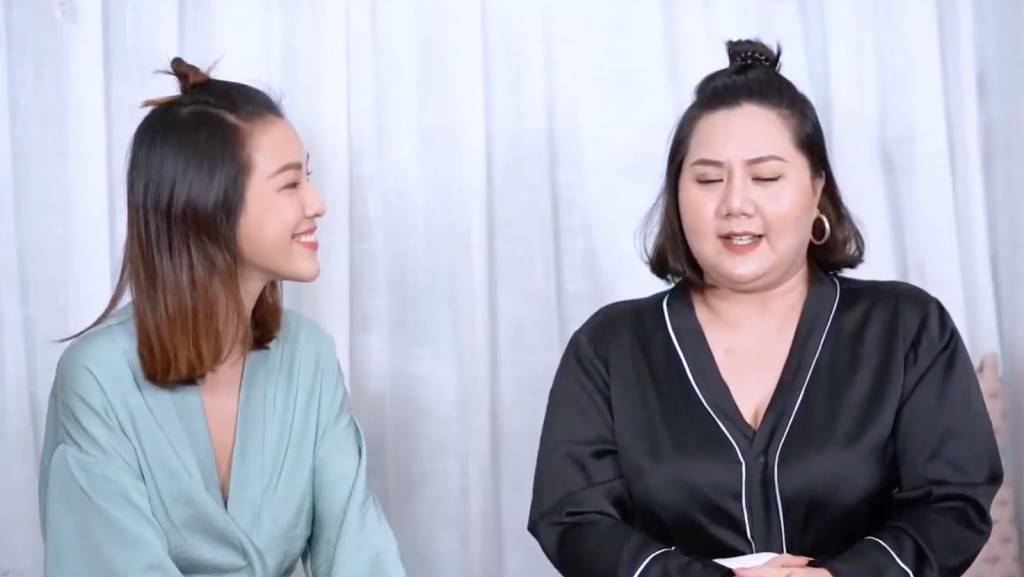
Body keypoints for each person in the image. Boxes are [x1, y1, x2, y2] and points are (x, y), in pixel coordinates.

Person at [528, 39, 1002, 577]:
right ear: (677, 195)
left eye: (767, 177)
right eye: (708, 179)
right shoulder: (610, 346)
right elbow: (573, 518)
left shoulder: (906, 327)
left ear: (817, 188)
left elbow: (953, 501)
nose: (735, 204)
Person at [38, 57, 406, 577]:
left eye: (308, 178)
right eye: (290, 184)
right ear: (208, 204)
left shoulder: (309, 357)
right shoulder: (98, 377)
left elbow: (360, 553)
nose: (318, 203)